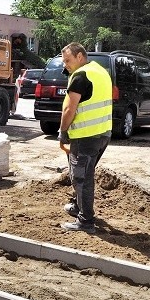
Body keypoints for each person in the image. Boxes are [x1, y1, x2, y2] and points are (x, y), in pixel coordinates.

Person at [58, 42, 112, 234]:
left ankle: (86, 222)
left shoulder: (80, 76)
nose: (65, 65)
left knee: (82, 179)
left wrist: (63, 132)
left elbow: (69, 109)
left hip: (85, 136)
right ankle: (78, 207)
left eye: (68, 60)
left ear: (80, 57)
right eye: (64, 61)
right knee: (82, 175)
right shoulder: (100, 71)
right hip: (103, 134)